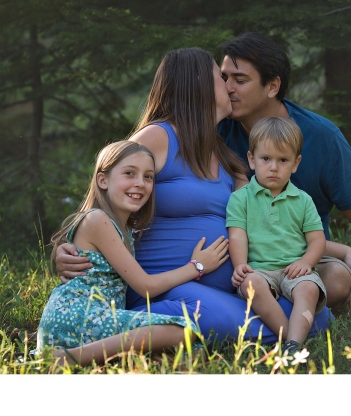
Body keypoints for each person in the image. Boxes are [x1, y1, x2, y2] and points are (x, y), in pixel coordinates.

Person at [54, 47, 351, 343]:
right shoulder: (158, 137)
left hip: (225, 287)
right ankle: (153, 320)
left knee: (318, 318)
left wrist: (334, 249)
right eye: (220, 77)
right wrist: (67, 249)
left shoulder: (226, 157)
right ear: (199, 85)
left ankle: (183, 323)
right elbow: (105, 199)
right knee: (278, 324)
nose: (229, 86)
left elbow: (266, 222)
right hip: (164, 284)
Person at [217, 32, 351, 313]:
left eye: (240, 80)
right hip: (243, 260)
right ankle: (283, 310)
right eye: (223, 78)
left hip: (303, 261)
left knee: (339, 281)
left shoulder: (322, 137)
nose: (227, 88)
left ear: (272, 86)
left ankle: (264, 310)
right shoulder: (216, 131)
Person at [36, 140, 230, 366]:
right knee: (183, 331)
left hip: (97, 318)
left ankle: (120, 359)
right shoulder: (98, 219)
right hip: (76, 316)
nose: (140, 183)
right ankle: (67, 360)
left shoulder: (125, 229)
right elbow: (145, 287)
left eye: (148, 177)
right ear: (102, 180)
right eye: (129, 173)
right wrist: (197, 266)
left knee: (192, 354)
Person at [228, 117, 327, 354]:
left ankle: (294, 343)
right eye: (266, 159)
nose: (274, 167)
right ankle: (288, 339)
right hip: (259, 270)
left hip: (294, 268)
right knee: (251, 284)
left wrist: (306, 262)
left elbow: (317, 240)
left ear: (295, 163)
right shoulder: (241, 198)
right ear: (251, 159)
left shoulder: (303, 200)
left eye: (283, 160)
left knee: (309, 289)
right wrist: (240, 264)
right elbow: (238, 235)